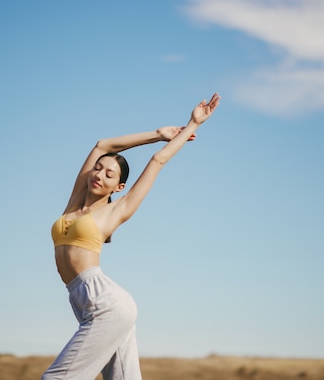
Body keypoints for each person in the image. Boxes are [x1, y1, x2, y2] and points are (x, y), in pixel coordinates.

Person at [42, 93, 220, 380]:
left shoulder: (116, 212)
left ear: (119, 186)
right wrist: (157, 133)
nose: (98, 174)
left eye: (108, 174)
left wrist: (192, 125)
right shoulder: (74, 203)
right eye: (97, 168)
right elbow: (103, 145)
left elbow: (158, 161)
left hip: (105, 302)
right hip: (81, 299)